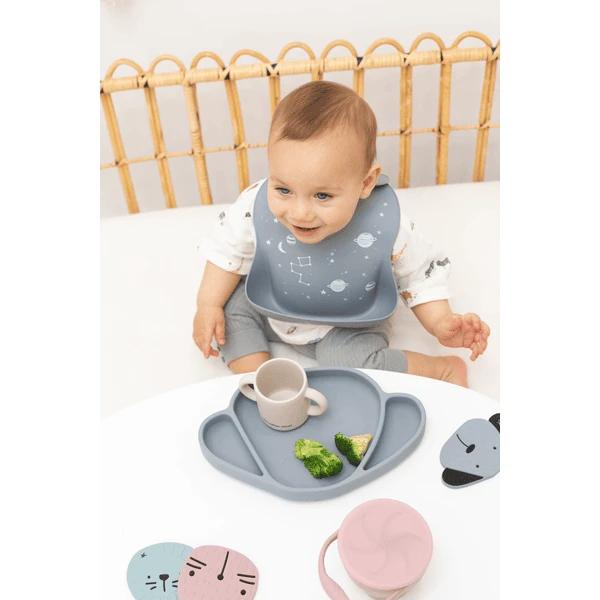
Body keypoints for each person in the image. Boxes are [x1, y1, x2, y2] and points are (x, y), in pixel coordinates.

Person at [192, 80, 490, 387]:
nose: (299, 213)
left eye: (322, 196)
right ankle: (267, 383)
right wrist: (208, 305)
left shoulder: (384, 223)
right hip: (273, 306)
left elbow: (420, 276)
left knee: (348, 361)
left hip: (349, 321)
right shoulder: (254, 205)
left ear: (366, 182)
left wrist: (440, 322)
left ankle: (441, 369)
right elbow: (226, 252)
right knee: (229, 313)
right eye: (283, 190)